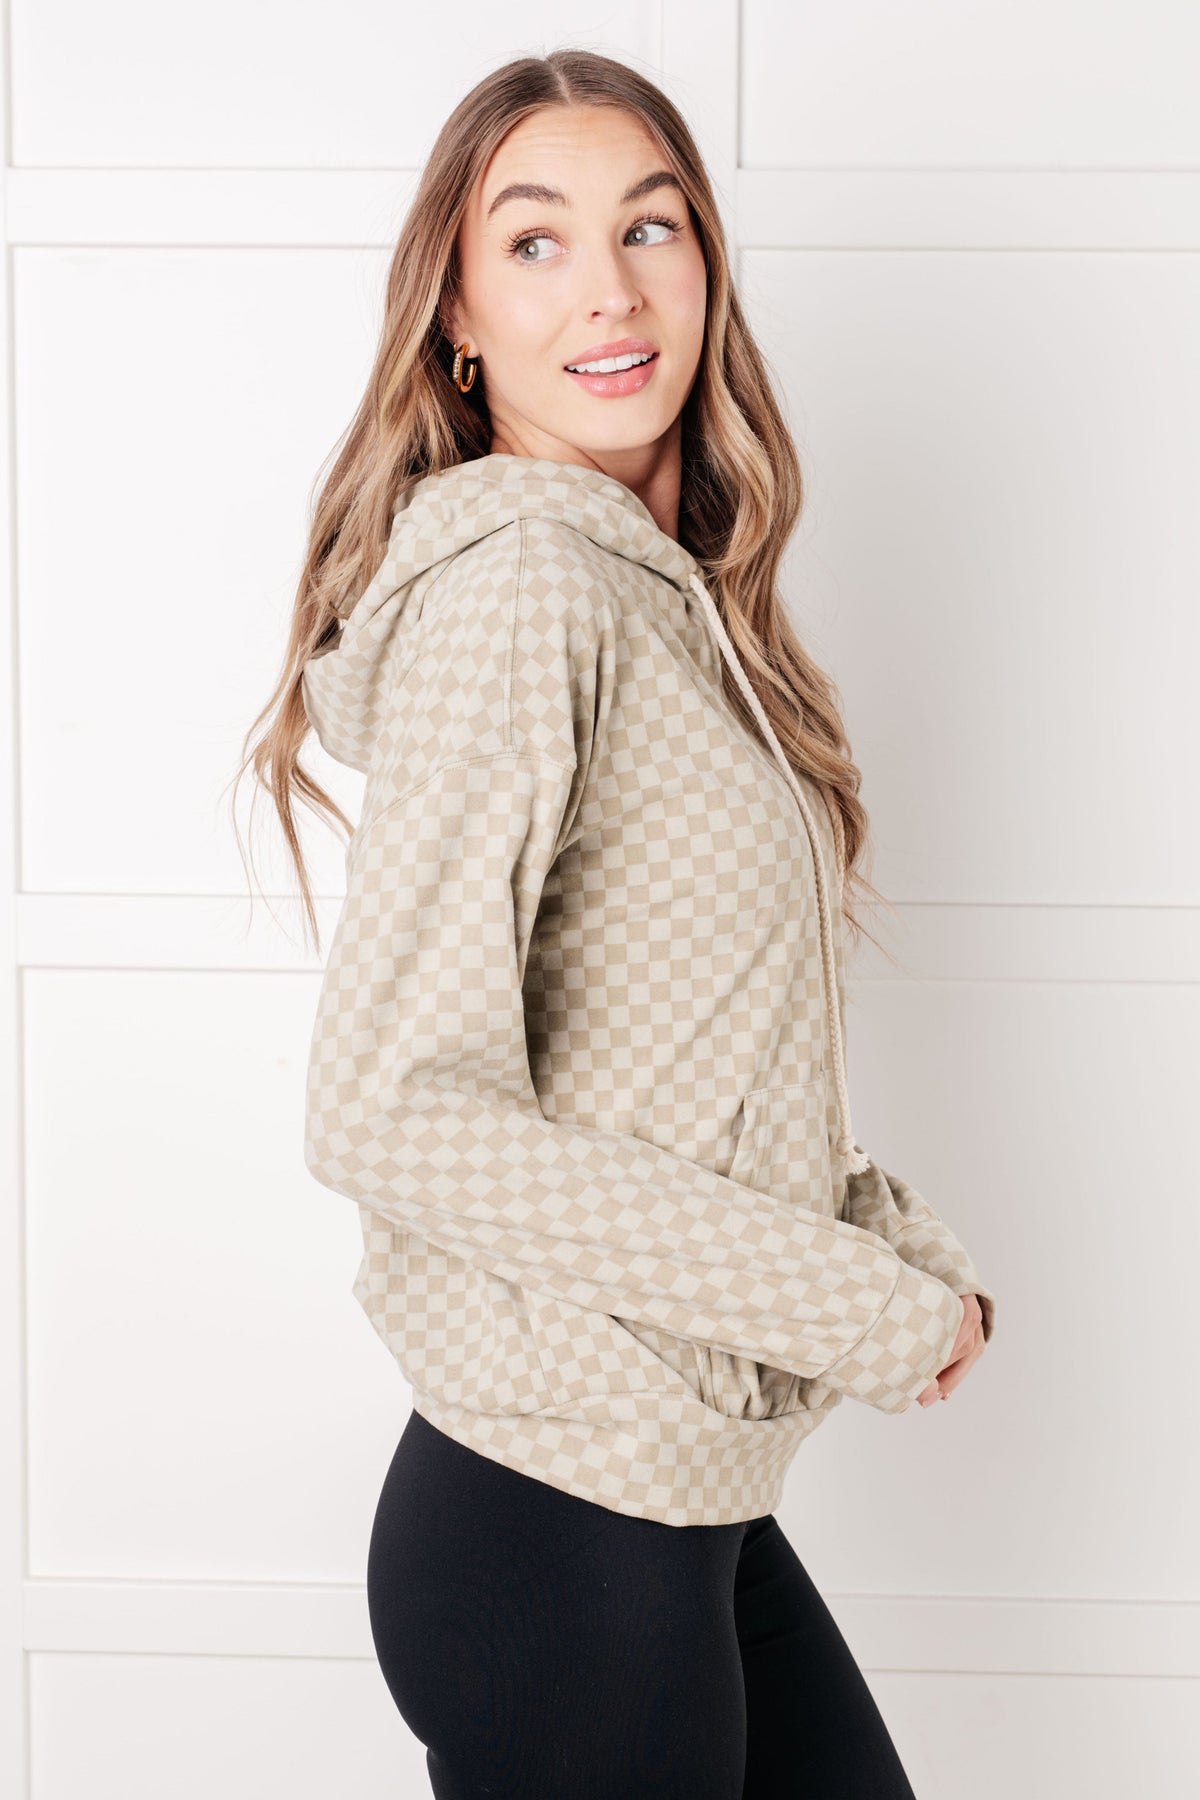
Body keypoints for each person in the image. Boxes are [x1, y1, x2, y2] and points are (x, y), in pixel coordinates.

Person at [238, 46, 997, 1800]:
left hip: (674, 1511)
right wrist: (861, 1309)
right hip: (556, 1528)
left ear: (707, 266)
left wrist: (902, 1252)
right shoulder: (523, 589)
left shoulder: (669, 607)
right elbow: (390, 1112)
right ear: (457, 317)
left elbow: (694, 1077)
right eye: (537, 241)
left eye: (651, 227)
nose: (611, 288)